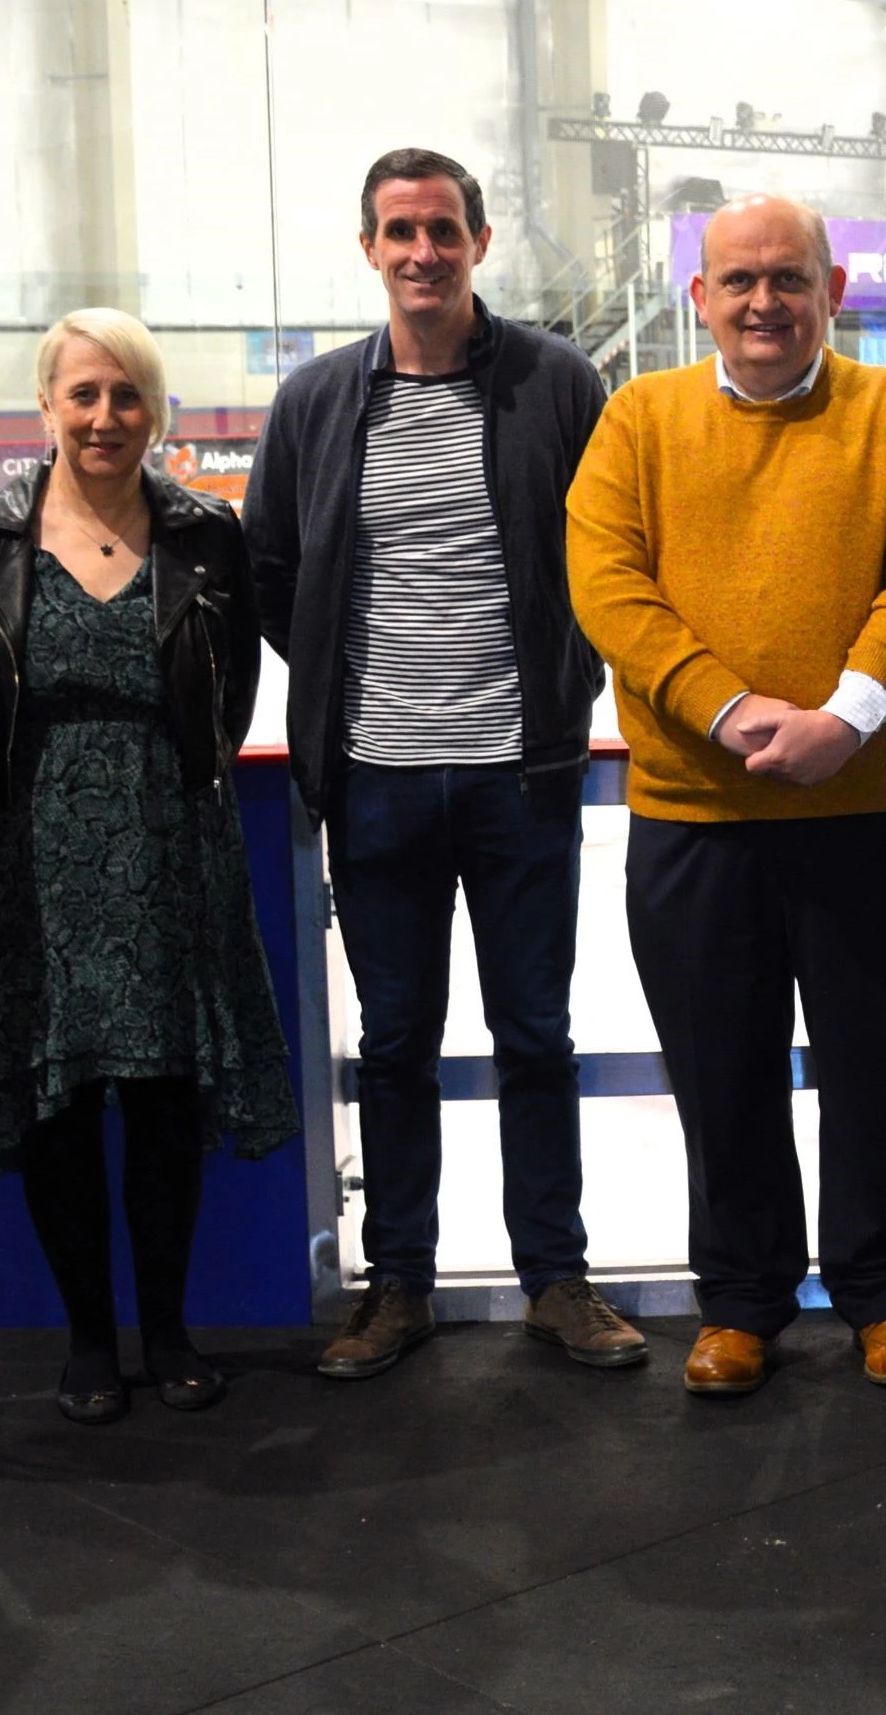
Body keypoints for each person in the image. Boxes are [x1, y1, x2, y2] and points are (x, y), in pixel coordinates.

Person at [243, 148, 640, 1380]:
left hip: (519, 777)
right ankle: (397, 1288)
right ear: (369, 248)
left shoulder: (555, 383)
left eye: (444, 230)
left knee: (535, 1034)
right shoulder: (316, 401)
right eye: (400, 231)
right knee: (398, 1038)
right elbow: (270, 568)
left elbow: (607, 553)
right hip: (376, 781)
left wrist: (562, 685)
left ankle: (556, 1280)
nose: (423, 251)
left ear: (477, 242)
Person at [569, 193, 886, 1399]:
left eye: (787, 278)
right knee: (721, 1071)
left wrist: (845, 719)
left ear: (832, 292)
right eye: (738, 280)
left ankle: (884, 1298)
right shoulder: (638, 419)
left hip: (871, 815)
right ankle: (740, 1303)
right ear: (699, 299)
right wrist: (733, 711)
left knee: (874, 1068)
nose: (762, 301)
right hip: (699, 816)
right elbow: (607, 580)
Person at [0, 310, 302, 1424]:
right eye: (82, 395)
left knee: (164, 1096)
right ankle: (90, 1337)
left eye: (125, 395)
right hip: (20, 851)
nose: (103, 417)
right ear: (46, 406)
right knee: (59, 1100)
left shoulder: (202, 536)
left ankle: (169, 1328)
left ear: (155, 410)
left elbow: (226, 698)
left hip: (166, 836)